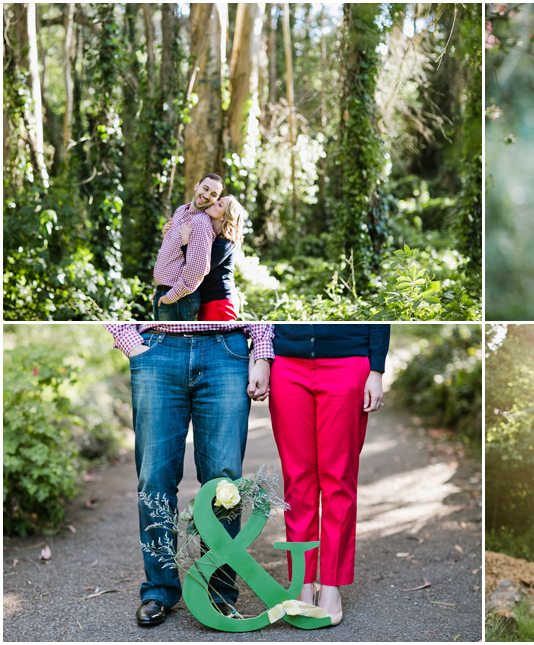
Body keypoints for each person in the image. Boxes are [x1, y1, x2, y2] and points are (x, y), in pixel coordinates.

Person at [103, 323, 274, 627]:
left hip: (226, 351)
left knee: (225, 483)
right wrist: (131, 343)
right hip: (158, 349)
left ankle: (219, 591)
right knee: (153, 478)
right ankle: (159, 589)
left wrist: (261, 354)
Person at [268, 324, 391, 626]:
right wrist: (259, 359)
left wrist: (377, 370)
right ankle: (304, 582)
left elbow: (378, 310)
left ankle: (332, 586)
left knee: (338, 480)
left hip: (347, 362)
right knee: (297, 481)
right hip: (287, 363)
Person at [151, 173, 223, 321]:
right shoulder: (180, 211)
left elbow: (197, 269)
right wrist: (159, 288)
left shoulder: (201, 223)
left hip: (178, 300)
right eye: (206, 188)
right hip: (164, 292)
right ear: (197, 186)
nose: (207, 195)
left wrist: (170, 297)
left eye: (213, 194)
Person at [165, 196, 246, 321]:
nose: (214, 202)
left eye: (220, 204)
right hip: (207, 300)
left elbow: (200, 265)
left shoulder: (226, 242)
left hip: (219, 302)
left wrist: (186, 241)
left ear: (225, 216)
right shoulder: (210, 234)